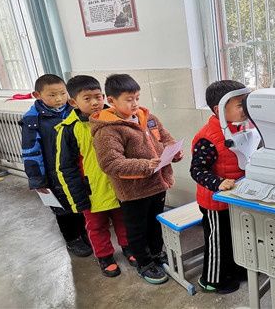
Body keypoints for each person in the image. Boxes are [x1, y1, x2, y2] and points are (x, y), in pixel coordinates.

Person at [90, 74, 183, 284]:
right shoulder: (107, 130)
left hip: (158, 184)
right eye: (129, 99)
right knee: (137, 229)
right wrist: (144, 166)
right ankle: (144, 263)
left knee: (156, 223)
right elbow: (111, 163)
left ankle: (157, 255)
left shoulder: (147, 117)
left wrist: (174, 151)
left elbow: (165, 138)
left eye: (137, 98)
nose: (135, 104)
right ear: (111, 101)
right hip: (133, 191)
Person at [55, 75, 134, 278]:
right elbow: (66, 168)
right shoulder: (69, 129)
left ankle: (128, 248)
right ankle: (105, 256)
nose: (95, 102)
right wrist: (77, 198)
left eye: (98, 97)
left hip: (118, 184)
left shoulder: (114, 117)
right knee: (96, 226)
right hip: (91, 190)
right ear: (73, 102)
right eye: (87, 98)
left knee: (124, 220)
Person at [20, 74, 92, 257]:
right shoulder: (32, 119)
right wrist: (37, 179)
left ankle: (84, 233)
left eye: (62, 93)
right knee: (62, 209)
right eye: (52, 95)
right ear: (37, 95)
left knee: (79, 202)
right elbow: (31, 151)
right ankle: (72, 239)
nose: (59, 99)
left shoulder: (72, 109)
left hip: (74, 169)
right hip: (52, 174)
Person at [190, 80, 249, 294]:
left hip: (233, 197)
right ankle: (212, 279)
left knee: (235, 237)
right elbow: (196, 170)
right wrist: (218, 183)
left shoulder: (237, 129)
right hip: (214, 201)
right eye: (240, 105)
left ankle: (235, 269)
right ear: (219, 109)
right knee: (218, 241)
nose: (245, 109)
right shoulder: (208, 137)